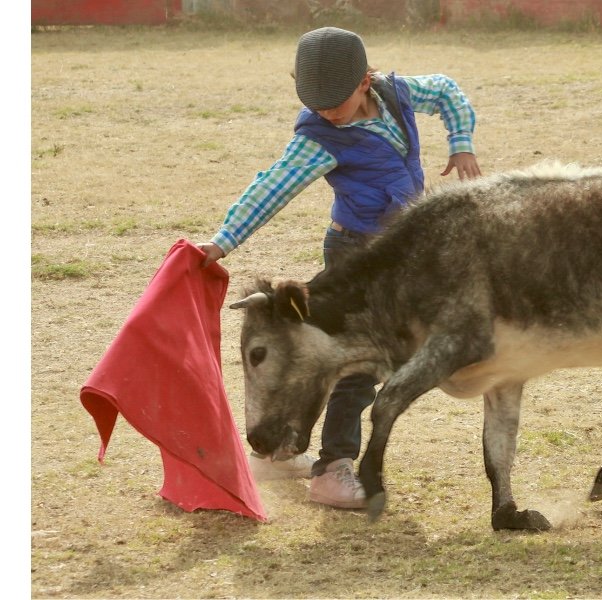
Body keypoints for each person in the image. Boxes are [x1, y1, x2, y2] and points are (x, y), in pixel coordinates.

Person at [196, 27, 481, 509]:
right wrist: (223, 241)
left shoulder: (397, 93)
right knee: (359, 365)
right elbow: (273, 187)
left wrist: (461, 143)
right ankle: (331, 470)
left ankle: (277, 452)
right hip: (354, 253)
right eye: (315, 102)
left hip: (396, 258)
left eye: (335, 101)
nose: (326, 112)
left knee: (331, 354)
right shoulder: (318, 137)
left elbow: (447, 91)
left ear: (365, 81)